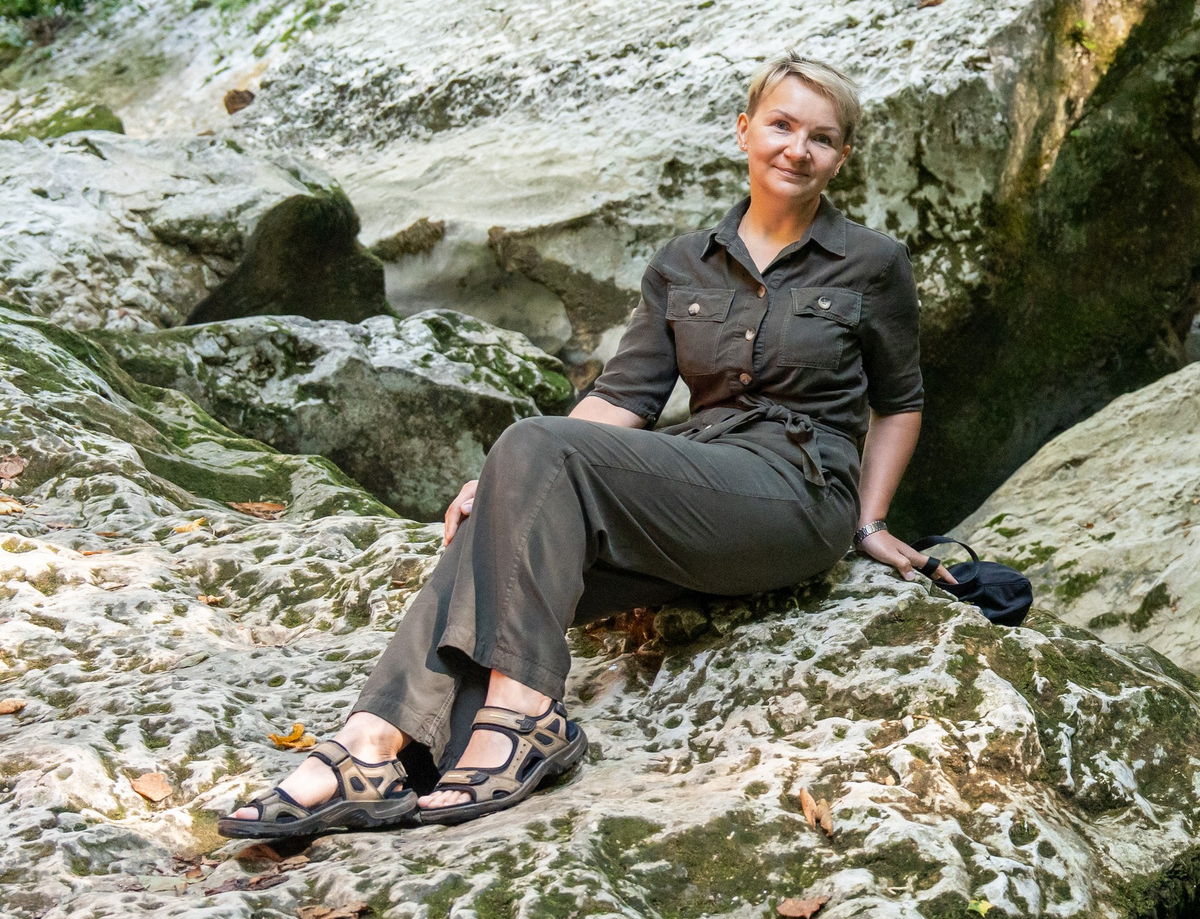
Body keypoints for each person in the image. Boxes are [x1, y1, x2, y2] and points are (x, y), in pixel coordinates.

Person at [221, 53, 947, 837]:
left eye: (822, 137)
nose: (797, 149)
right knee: (497, 527)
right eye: (781, 125)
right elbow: (624, 397)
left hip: (796, 494)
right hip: (696, 490)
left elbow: (899, 402)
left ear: (842, 157)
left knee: (535, 446)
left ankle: (524, 715)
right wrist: (503, 479)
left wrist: (868, 523)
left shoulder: (873, 263)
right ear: (744, 129)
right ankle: (373, 743)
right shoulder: (681, 262)